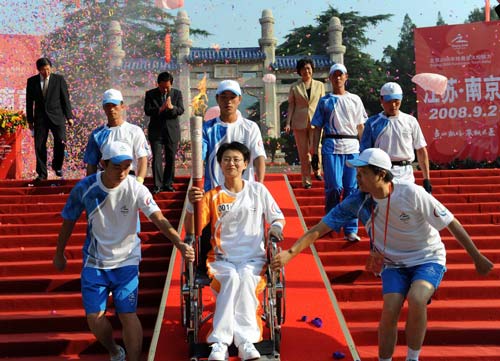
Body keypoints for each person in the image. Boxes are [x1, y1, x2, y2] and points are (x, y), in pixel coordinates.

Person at [271, 148, 494, 361]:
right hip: (392, 263)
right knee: (390, 309)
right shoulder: (358, 201)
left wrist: (477, 257)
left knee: (417, 298)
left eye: (363, 173)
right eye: (357, 173)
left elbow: (451, 222)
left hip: (427, 257)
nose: (357, 178)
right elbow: (320, 229)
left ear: (381, 174)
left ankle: (412, 357)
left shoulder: (411, 193)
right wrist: (291, 253)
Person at [53, 141, 194, 361]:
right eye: (116, 166)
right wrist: (59, 252)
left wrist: (179, 243)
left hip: (127, 260)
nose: (122, 172)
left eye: (127, 166)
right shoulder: (86, 188)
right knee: (94, 318)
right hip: (95, 261)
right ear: (103, 164)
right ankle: (114, 350)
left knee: (127, 314)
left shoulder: (135, 188)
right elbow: (69, 220)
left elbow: (158, 218)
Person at [185, 142, 285, 361]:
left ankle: (246, 341)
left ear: (245, 164)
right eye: (226, 160)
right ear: (220, 165)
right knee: (231, 278)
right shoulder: (212, 196)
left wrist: (275, 230)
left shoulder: (258, 191)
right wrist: (192, 206)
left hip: (254, 258)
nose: (231, 163)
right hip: (222, 259)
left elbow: (277, 217)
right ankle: (220, 342)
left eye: (236, 160)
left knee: (247, 279)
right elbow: (192, 229)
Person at [310, 63, 367, 242]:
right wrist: (314, 152)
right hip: (331, 146)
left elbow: (360, 126)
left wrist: (365, 150)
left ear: (346, 77)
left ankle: (350, 229)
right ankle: (330, 224)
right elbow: (317, 127)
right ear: (330, 78)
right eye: (334, 75)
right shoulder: (325, 101)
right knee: (334, 187)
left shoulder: (355, 99)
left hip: (352, 146)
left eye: (341, 75)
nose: (338, 78)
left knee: (351, 189)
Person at [360, 82, 432, 192]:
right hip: (382, 174)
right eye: (389, 101)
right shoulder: (372, 123)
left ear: (401, 99)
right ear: (382, 100)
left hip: (406, 173)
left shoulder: (410, 121)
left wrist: (426, 179)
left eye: (396, 101)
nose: (393, 105)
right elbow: (364, 153)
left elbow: (421, 150)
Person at [84, 89, 150, 185]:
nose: (111, 109)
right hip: (105, 181)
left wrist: (139, 180)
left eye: (114, 105)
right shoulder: (97, 134)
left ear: (122, 106)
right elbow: (91, 164)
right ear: (103, 108)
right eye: (107, 106)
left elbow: (142, 158)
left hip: (129, 179)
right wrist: (90, 185)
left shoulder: (135, 131)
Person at [26, 57, 74, 181]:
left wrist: (69, 116)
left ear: (51, 68)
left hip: (57, 116)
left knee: (61, 140)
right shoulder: (32, 82)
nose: (46, 72)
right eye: (43, 70)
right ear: (38, 70)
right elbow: (29, 102)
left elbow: (65, 99)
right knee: (39, 145)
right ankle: (42, 174)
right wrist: (30, 120)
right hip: (40, 119)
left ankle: (57, 166)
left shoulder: (59, 80)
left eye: (48, 69)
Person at [285, 58, 326, 189]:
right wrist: (288, 123)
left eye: (308, 68)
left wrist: (325, 120)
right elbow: (291, 105)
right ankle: (306, 180)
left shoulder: (320, 85)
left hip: (316, 121)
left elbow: (322, 104)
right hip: (299, 122)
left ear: (312, 70)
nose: (306, 71)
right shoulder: (295, 87)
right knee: (303, 153)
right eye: (303, 69)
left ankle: (317, 170)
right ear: (299, 71)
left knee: (316, 148)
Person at [144, 71, 185, 193]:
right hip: (156, 131)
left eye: (167, 87)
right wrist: (160, 109)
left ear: (171, 85)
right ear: (158, 84)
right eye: (162, 87)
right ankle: (157, 185)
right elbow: (147, 110)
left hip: (172, 131)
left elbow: (181, 110)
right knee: (157, 158)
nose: (164, 90)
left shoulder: (177, 94)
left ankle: (168, 184)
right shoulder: (150, 94)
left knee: (170, 158)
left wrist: (172, 108)